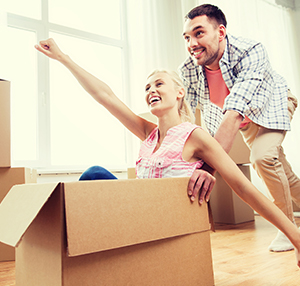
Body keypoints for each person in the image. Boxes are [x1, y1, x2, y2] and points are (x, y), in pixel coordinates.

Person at [34, 38, 300, 267]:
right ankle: (68, 253)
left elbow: (245, 189)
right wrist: (63, 58)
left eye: (159, 84)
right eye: (147, 88)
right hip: (137, 213)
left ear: (179, 93)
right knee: (95, 175)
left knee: (93, 174)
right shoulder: (147, 133)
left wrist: (295, 237)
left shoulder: (196, 137)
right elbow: (106, 96)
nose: (151, 90)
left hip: (164, 223)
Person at [179, 3, 300, 253]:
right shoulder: (188, 70)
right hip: (246, 119)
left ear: (221, 32)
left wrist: (209, 168)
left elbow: (234, 111)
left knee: (262, 158)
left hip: (273, 103)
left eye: (199, 33)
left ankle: (289, 230)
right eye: (187, 37)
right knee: (282, 173)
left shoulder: (250, 50)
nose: (191, 43)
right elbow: (189, 119)